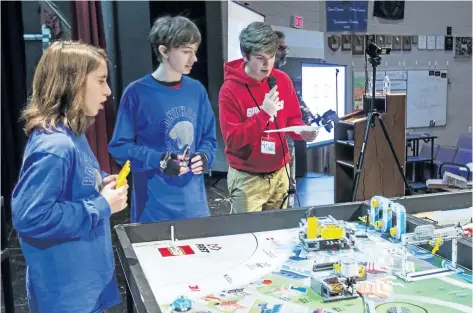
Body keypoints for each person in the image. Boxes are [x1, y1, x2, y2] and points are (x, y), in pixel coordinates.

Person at [11, 41, 128, 313]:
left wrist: (101, 182)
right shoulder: (55, 146)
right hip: (66, 296)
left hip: (87, 284)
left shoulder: (73, 136)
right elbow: (30, 218)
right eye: (100, 81)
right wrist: (102, 205)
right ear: (73, 84)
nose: (108, 91)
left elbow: (79, 180)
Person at [108, 15, 217, 223]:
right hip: (153, 211)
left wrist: (204, 157)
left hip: (195, 208)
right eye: (186, 51)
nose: (193, 59)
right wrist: (159, 160)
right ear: (164, 51)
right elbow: (119, 147)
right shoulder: (137, 93)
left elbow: (209, 139)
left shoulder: (196, 90)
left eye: (195, 51)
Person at [219, 22, 318, 214]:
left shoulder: (282, 80)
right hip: (248, 180)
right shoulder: (230, 90)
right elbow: (234, 141)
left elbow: (292, 119)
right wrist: (263, 114)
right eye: (260, 58)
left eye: (271, 57)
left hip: (280, 174)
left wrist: (302, 131)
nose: (267, 65)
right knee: (249, 238)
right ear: (245, 56)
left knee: (278, 238)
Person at [274, 30, 314, 208]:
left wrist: (300, 115)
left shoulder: (284, 78)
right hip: (265, 151)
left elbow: (290, 113)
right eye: (281, 48)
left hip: (287, 143)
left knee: (288, 192)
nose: (286, 51)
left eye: (286, 47)